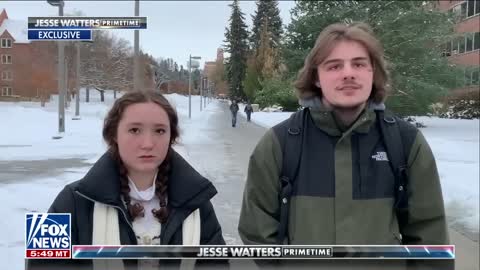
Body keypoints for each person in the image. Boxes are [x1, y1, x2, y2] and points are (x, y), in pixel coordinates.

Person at [238, 22, 450, 269]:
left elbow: (430, 240)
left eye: (359, 64)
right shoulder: (280, 143)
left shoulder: (405, 143)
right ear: (316, 77)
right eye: (334, 66)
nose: (348, 73)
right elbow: (257, 230)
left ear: (374, 73)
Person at [28, 91, 227, 270]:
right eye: (134, 130)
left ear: (171, 137)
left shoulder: (198, 202)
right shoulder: (69, 200)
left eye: (159, 131)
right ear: (114, 135)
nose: (148, 144)